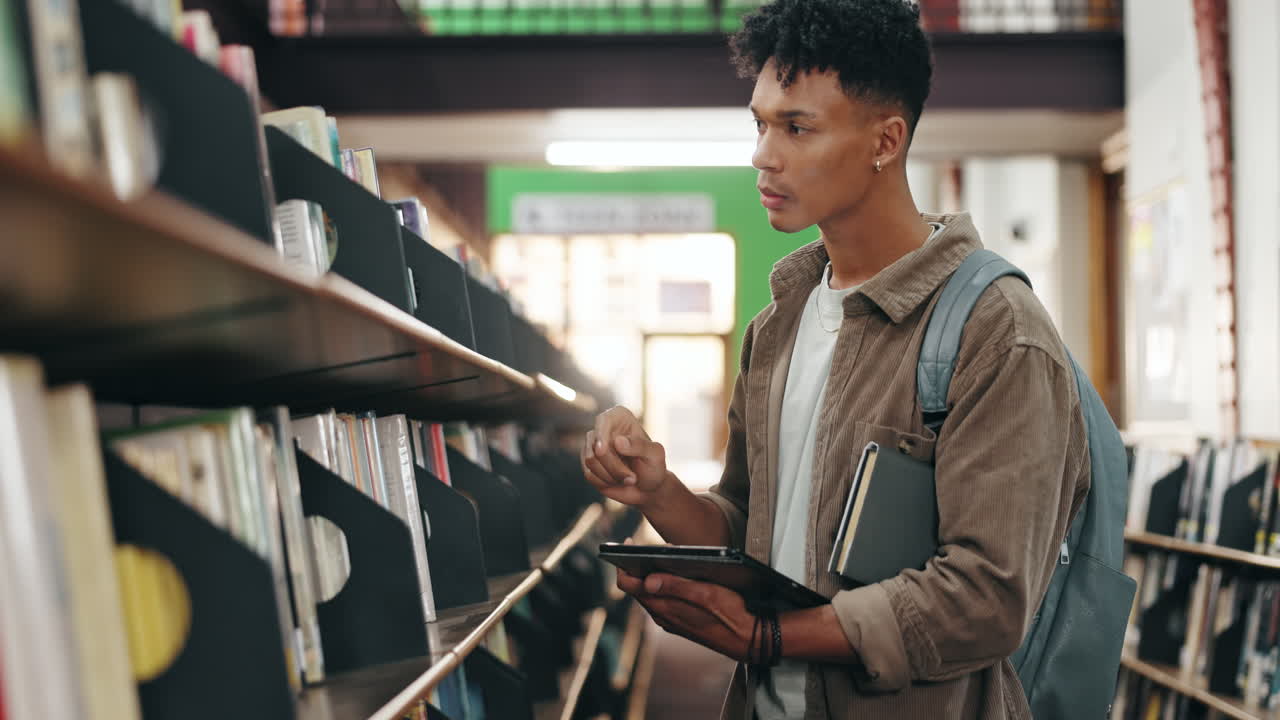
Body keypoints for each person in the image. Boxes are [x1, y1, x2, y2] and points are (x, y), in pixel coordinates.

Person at [580, 0, 1090, 718]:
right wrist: (660, 492)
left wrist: (767, 637)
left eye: (796, 127)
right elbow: (750, 529)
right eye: (760, 123)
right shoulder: (778, 328)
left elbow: (987, 598)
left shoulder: (996, 330)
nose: (764, 153)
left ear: (886, 141)